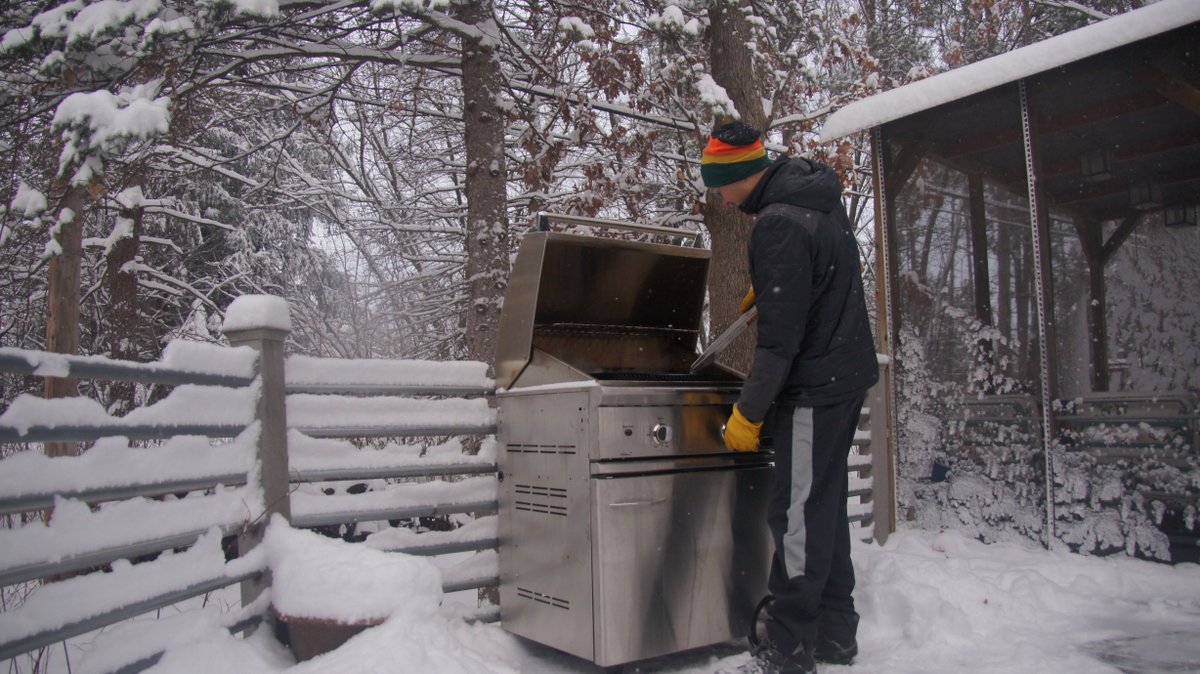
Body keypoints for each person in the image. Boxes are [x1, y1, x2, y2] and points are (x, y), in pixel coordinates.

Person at [701, 121, 879, 674]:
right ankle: (834, 633)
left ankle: (788, 649)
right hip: (845, 375)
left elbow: (779, 344)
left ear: (741, 174)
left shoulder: (777, 223)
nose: (722, 199)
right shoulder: (816, 198)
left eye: (721, 186)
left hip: (813, 386)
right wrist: (780, 287)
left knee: (798, 514)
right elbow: (827, 276)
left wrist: (749, 413)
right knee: (822, 506)